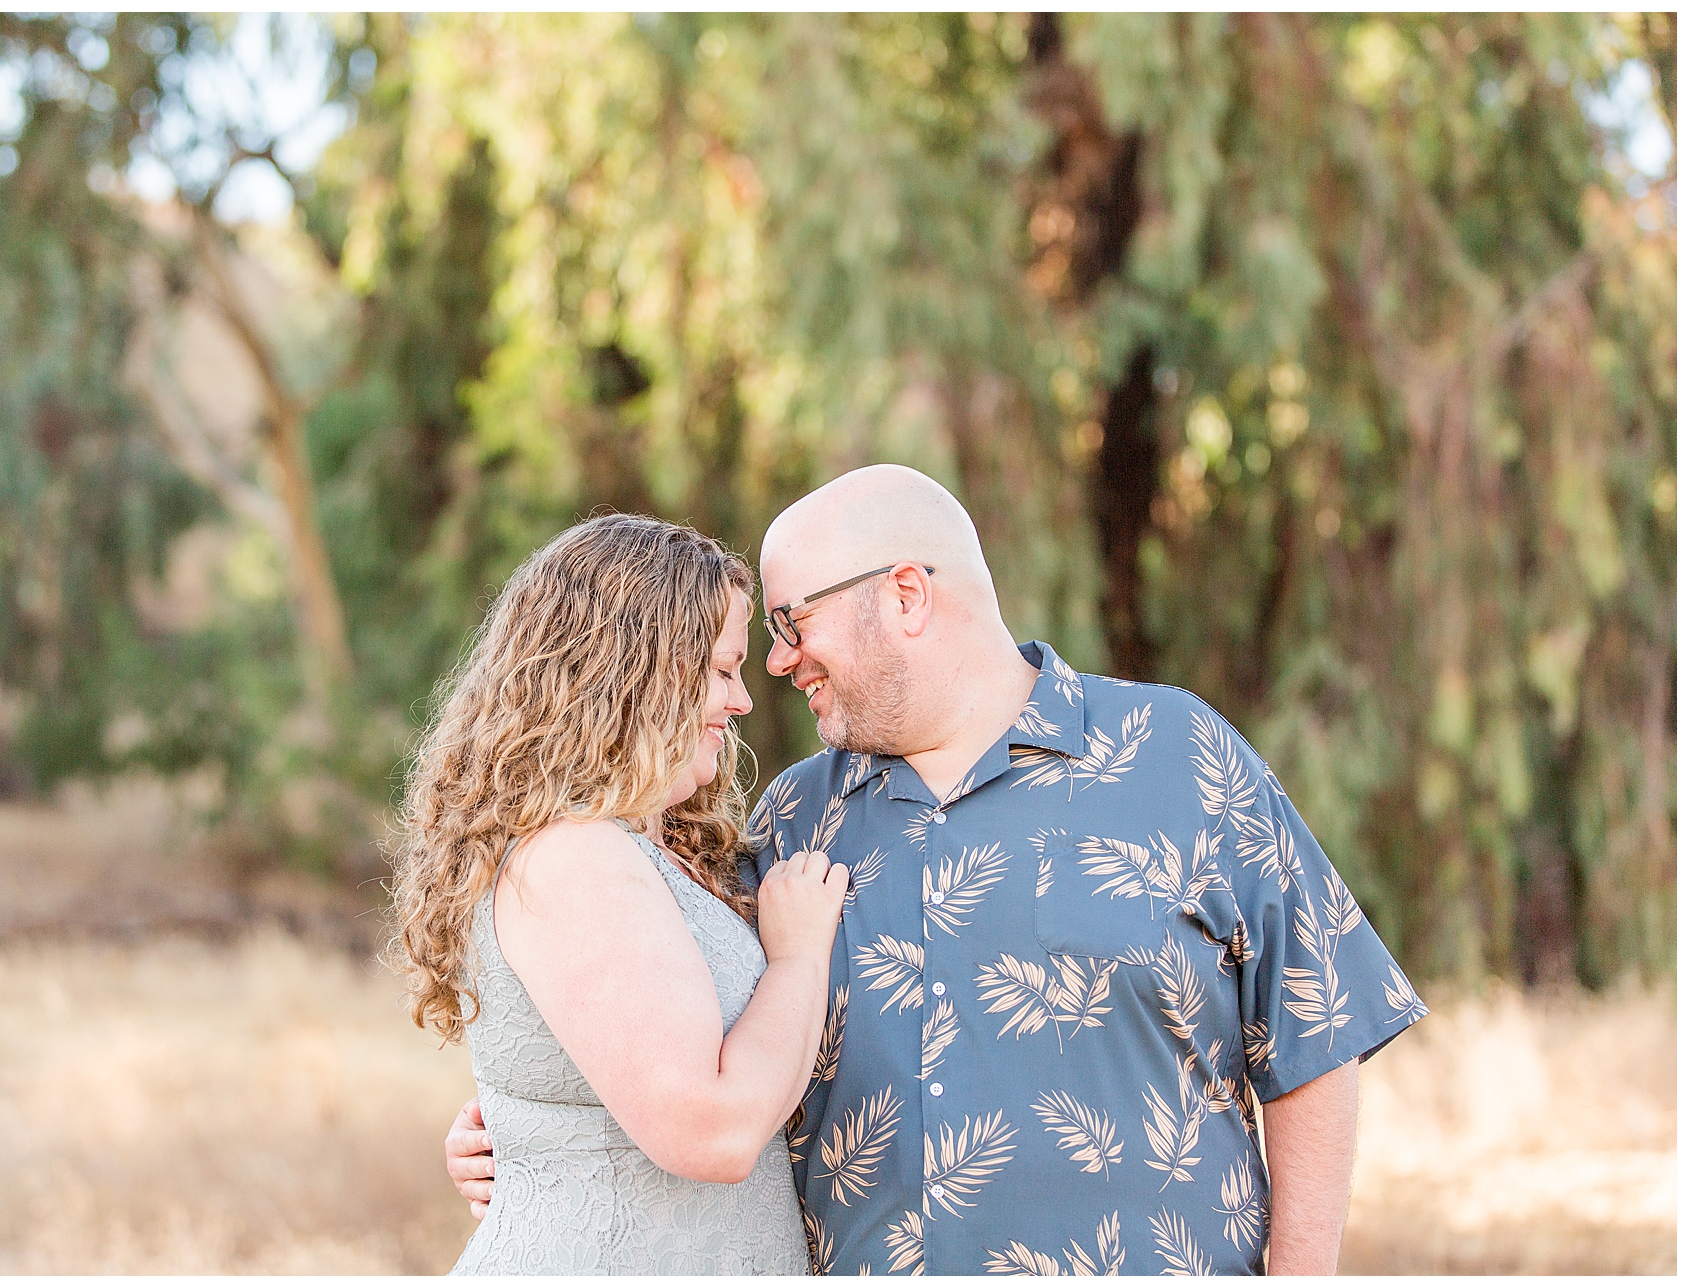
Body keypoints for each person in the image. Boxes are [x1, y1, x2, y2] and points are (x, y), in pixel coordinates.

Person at [447, 465, 1427, 1275]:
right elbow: (674, 1025)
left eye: (792, 624)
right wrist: (524, 1131)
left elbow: (1313, 1035)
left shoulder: (1180, 756)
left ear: (906, 594)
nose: (779, 666)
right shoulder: (793, 820)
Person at [390, 513, 849, 1275]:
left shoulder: (642, 846)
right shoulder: (574, 858)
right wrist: (799, 959)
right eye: (721, 668)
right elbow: (711, 1132)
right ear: (637, 669)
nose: (740, 700)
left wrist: (532, 1133)